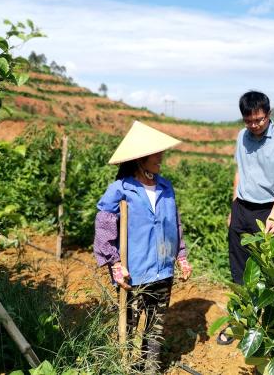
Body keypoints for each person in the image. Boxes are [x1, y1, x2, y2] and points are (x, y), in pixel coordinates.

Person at [93, 121, 192, 373]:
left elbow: (174, 224)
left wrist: (181, 256)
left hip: (163, 270)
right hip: (134, 272)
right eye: (155, 153)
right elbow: (104, 226)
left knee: (156, 326)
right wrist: (115, 263)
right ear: (139, 159)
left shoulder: (166, 187)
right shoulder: (121, 189)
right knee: (129, 324)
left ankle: (150, 368)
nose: (161, 157)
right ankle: (124, 366)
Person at [217, 91, 274, 345]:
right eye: (249, 121)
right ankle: (240, 322)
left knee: (273, 271)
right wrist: (233, 207)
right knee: (239, 269)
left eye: (259, 120)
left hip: (268, 211)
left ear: (269, 114)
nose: (254, 125)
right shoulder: (242, 137)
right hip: (242, 209)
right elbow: (239, 173)